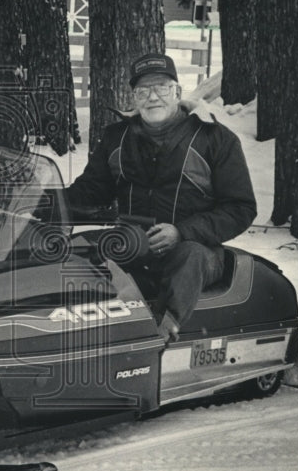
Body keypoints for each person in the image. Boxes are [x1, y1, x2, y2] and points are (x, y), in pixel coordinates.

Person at [66, 52, 257, 343]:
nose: (152, 97)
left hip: (199, 252)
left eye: (161, 88)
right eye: (143, 90)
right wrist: (39, 202)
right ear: (133, 97)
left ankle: (159, 337)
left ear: (177, 92)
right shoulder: (117, 137)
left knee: (188, 257)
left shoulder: (215, 138)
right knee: (81, 246)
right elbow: (90, 191)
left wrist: (182, 231)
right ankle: (66, 330)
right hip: (134, 245)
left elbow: (241, 208)